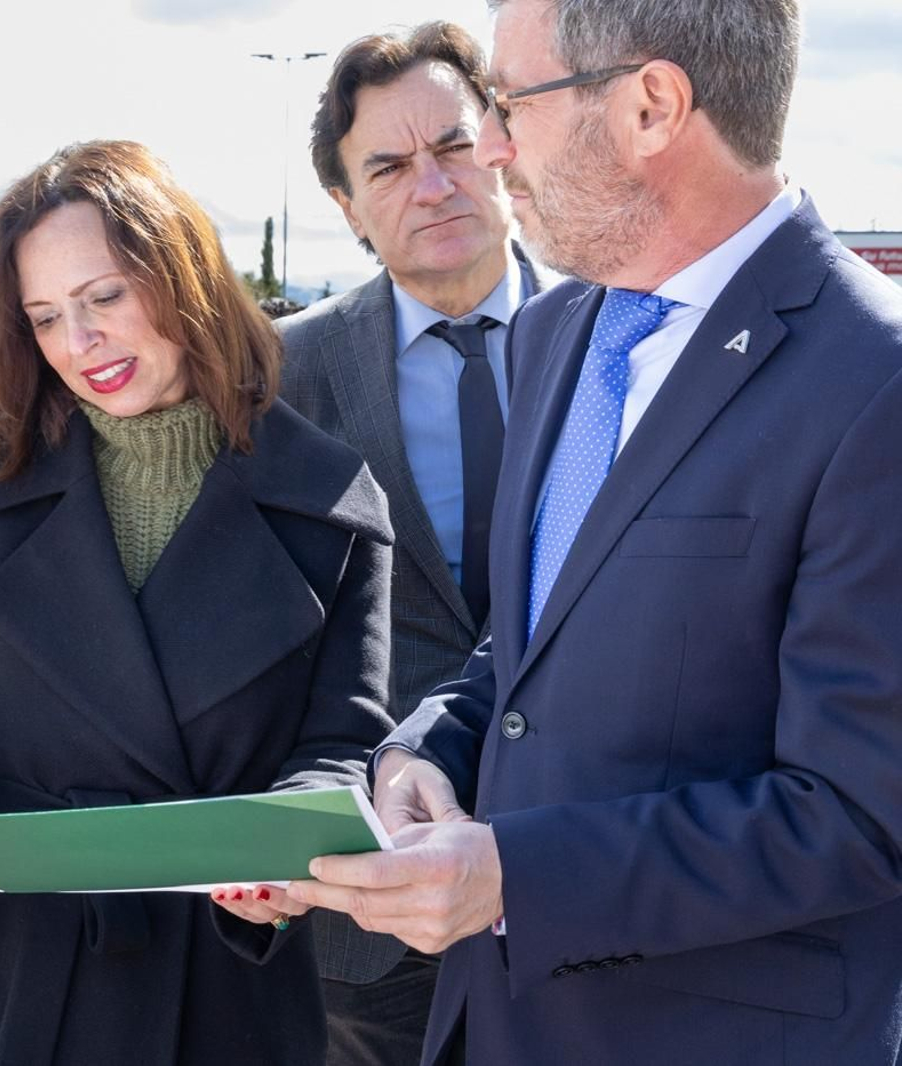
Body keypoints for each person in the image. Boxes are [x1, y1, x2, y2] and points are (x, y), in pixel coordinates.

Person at [288, 1, 902, 1063]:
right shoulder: (559, 329)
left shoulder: (873, 383)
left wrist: (514, 875)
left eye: (509, 103)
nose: (489, 148)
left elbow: (857, 814)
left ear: (651, 108)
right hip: (497, 1024)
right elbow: (528, 641)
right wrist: (429, 745)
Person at [0, 140, 395, 1065]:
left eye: (104, 299)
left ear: (184, 281)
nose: (78, 344)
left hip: (217, 983)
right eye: (46, 317)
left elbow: (342, 740)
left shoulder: (329, 499)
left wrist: (281, 843)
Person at [276, 23, 546, 1064]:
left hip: (583, 883)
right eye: (387, 166)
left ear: (504, 149)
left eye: (452, 147)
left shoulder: (621, 337)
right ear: (346, 207)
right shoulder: (288, 376)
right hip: (371, 916)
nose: (430, 186)